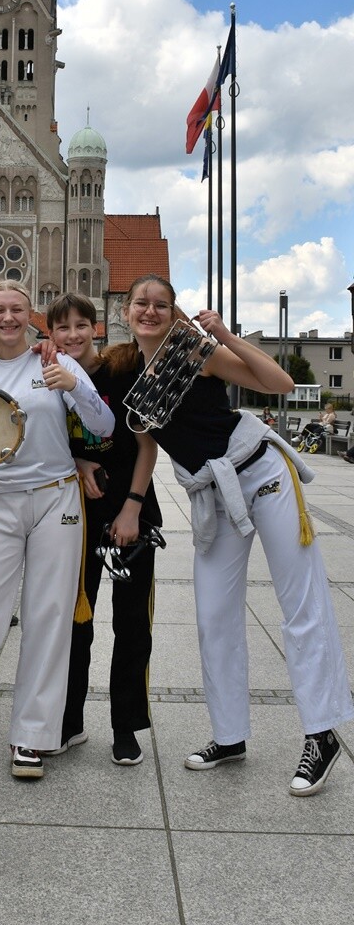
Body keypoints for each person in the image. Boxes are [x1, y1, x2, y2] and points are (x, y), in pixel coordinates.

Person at [124, 274, 353, 796]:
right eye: (142, 303)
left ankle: (321, 733)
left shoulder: (194, 353)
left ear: (173, 311)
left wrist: (224, 335)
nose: (150, 312)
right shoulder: (128, 369)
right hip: (213, 493)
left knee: (301, 602)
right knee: (213, 616)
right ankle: (229, 735)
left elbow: (279, 384)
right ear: (126, 311)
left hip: (261, 470)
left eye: (161, 304)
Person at [0, 280, 115, 782]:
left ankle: (31, 739)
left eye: (18, 309)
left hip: (56, 496)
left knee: (49, 617)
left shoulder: (54, 362)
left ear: (30, 313)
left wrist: (75, 387)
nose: (9, 317)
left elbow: (104, 428)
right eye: (0, 310)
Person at [46, 291, 161, 766]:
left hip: (131, 506)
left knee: (132, 623)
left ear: (94, 328)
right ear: (50, 334)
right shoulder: (48, 378)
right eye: (61, 327)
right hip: (79, 511)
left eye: (80, 325)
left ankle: (125, 726)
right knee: (77, 618)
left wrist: (133, 508)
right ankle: (70, 721)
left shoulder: (120, 370)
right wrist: (78, 460)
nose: (72, 335)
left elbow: (147, 445)